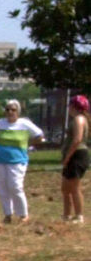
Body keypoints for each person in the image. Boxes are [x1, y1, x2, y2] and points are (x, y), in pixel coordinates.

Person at [0, 98, 45, 224]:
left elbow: (40, 136)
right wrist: (0, 140)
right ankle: (7, 214)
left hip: (18, 160)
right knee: (2, 186)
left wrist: (28, 143)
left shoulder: (24, 124)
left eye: (13, 110)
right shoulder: (0, 123)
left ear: (18, 111)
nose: (10, 112)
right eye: (7, 109)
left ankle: (23, 214)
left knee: (15, 186)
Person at [60, 93, 91, 223]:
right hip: (73, 155)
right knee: (65, 187)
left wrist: (68, 157)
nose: (69, 108)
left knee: (74, 187)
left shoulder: (79, 119)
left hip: (77, 155)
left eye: (70, 105)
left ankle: (79, 216)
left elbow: (77, 139)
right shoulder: (77, 119)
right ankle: (66, 215)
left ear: (75, 106)